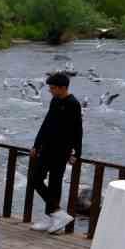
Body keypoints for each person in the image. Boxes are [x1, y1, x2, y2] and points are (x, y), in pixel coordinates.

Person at [30, 72, 83, 234]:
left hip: (61, 150)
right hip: (46, 147)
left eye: (52, 88)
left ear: (62, 88)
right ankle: (56, 213)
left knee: (55, 182)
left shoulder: (73, 103)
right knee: (35, 179)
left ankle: (53, 217)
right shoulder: (55, 100)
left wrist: (77, 153)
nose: (50, 91)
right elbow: (46, 123)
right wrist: (36, 144)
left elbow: (77, 130)